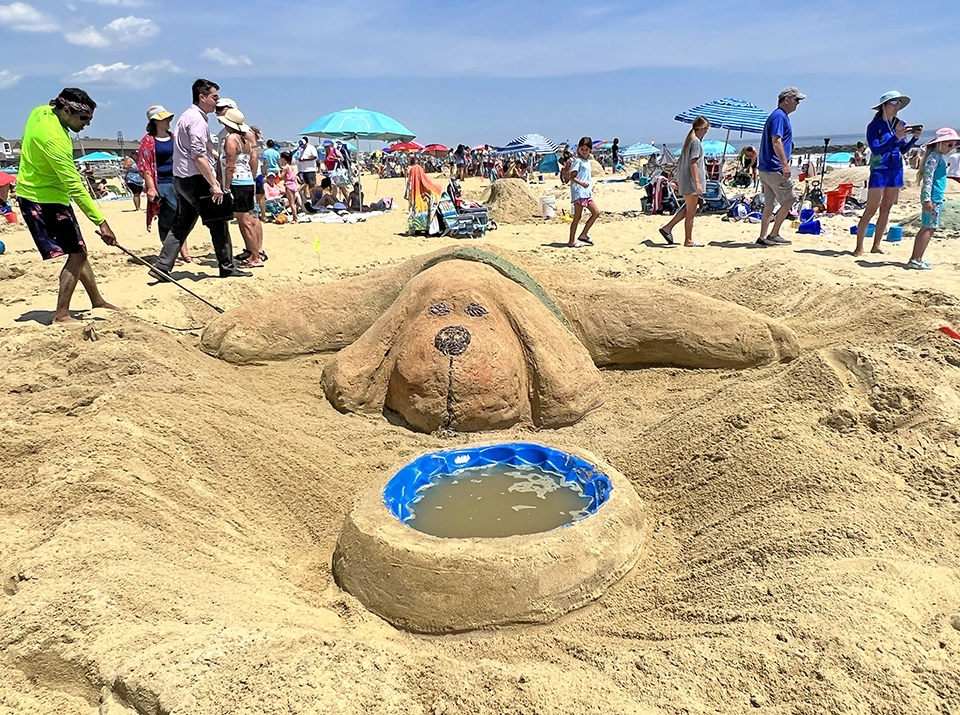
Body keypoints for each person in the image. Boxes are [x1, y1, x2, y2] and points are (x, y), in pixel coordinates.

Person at [16, 87, 118, 323]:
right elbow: (75, 185)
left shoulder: (41, 111)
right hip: (43, 199)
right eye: (83, 118)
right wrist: (102, 223)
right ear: (66, 109)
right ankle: (61, 314)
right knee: (77, 254)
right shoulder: (54, 140)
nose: (87, 124)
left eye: (90, 119)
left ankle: (97, 300)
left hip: (43, 193)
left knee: (79, 251)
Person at [154, 78, 249, 279]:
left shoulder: (186, 117)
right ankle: (227, 267)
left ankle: (162, 266)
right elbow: (198, 155)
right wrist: (214, 184)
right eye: (214, 97)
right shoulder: (196, 120)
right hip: (195, 178)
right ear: (202, 97)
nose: (217, 101)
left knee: (182, 222)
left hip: (180, 178)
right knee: (218, 222)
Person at [853, 91, 922, 256]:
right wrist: (895, 137)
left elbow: (903, 149)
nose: (897, 105)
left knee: (887, 208)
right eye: (894, 102)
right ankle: (859, 247)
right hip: (879, 169)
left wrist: (913, 139)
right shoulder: (875, 126)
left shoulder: (900, 123)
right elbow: (876, 149)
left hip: (896, 168)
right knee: (871, 208)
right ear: (884, 105)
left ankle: (876, 245)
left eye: (899, 102)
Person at [137, 104, 192, 265]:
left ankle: (184, 252)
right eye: (164, 119)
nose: (168, 121)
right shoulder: (147, 141)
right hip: (161, 182)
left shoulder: (174, 137)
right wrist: (151, 187)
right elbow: (145, 166)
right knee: (168, 216)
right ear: (155, 121)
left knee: (182, 216)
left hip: (178, 180)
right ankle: (170, 253)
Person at [756, 87, 804, 247]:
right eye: (797, 100)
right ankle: (773, 234)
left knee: (769, 203)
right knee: (790, 200)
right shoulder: (779, 116)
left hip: (765, 167)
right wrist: (785, 164)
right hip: (774, 167)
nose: (798, 104)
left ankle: (763, 236)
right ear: (787, 100)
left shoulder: (777, 116)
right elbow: (776, 140)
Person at [906, 128, 959, 270]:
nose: (952, 148)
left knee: (928, 227)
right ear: (940, 143)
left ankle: (917, 258)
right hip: (933, 198)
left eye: (954, 145)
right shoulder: (934, 157)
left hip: (935, 197)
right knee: (928, 228)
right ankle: (916, 259)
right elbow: (928, 179)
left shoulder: (938, 157)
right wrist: (927, 199)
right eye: (949, 144)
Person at [218, 107, 263, 268]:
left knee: (244, 222)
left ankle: (255, 257)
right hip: (247, 181)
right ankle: (256, 253)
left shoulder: (231, 140)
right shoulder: (245, 140)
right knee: (249, 219)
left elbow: (230, 166)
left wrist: (226, 187)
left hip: (237, 182)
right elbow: (251, 161)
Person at [659, 116, 709, 247]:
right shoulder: (695, 142)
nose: (707, 132)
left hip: (686, 179)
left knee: (688, 208)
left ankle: (667, 228)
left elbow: (681, 162)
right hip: (691, 181)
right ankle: (688, 240)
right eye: (706, 129)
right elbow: (693, 162)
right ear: (702, 128)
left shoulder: (689, 141)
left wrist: (678, 178)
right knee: (691, 211)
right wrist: (697, 182)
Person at [567, 136, 599, 248]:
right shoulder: (578, 161)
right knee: (577, 217)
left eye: (586, 149)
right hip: (579, 192)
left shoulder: (587, 161)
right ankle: (571, 241)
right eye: (582, 149)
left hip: (587, 192)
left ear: (590, 150)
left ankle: (584, 234)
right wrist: (582, 184)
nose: (584, 152)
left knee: (596, 213)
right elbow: (572, 177)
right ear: (579, 149)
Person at [279, 151, 300, 223]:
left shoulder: (286, 168)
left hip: (288, 185)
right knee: (293, 202)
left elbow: (280, 177)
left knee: (291, 203)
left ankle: (295, 218)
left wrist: (279, 171)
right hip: (293, 185)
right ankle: (295, 217)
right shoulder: (291, 167)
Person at [297, 136, 318, 200]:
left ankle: (313, 199)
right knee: (305, 184)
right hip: (304, 170)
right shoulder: (301, 149)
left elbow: (315, 156)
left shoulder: (311, 148)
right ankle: (306, 197)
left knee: (311, 185)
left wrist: (306, 159)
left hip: (310, 169)